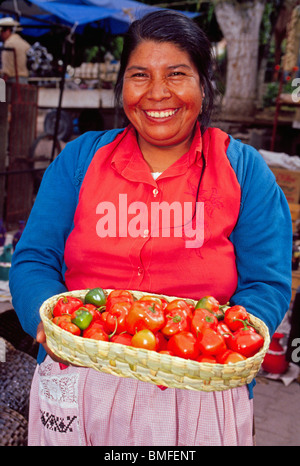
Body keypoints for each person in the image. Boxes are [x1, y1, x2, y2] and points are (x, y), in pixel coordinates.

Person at [9, 10, 292, 446]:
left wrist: (220, 344)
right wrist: (51, 324)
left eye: (177, 74)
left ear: (203, 84)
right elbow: (35, 257)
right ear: (123, 86)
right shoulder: (80, 160)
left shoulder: (243, 170)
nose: (157, 93)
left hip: (199, 387)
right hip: (81, 375)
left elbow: (266, 284)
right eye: (140, 75)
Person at [0, 17, 30, 83]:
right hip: (24, 80)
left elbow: (6, 69)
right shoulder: (24, 43)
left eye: (1, 32)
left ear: (7, 30)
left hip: (13, 81)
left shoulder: (8, 44)